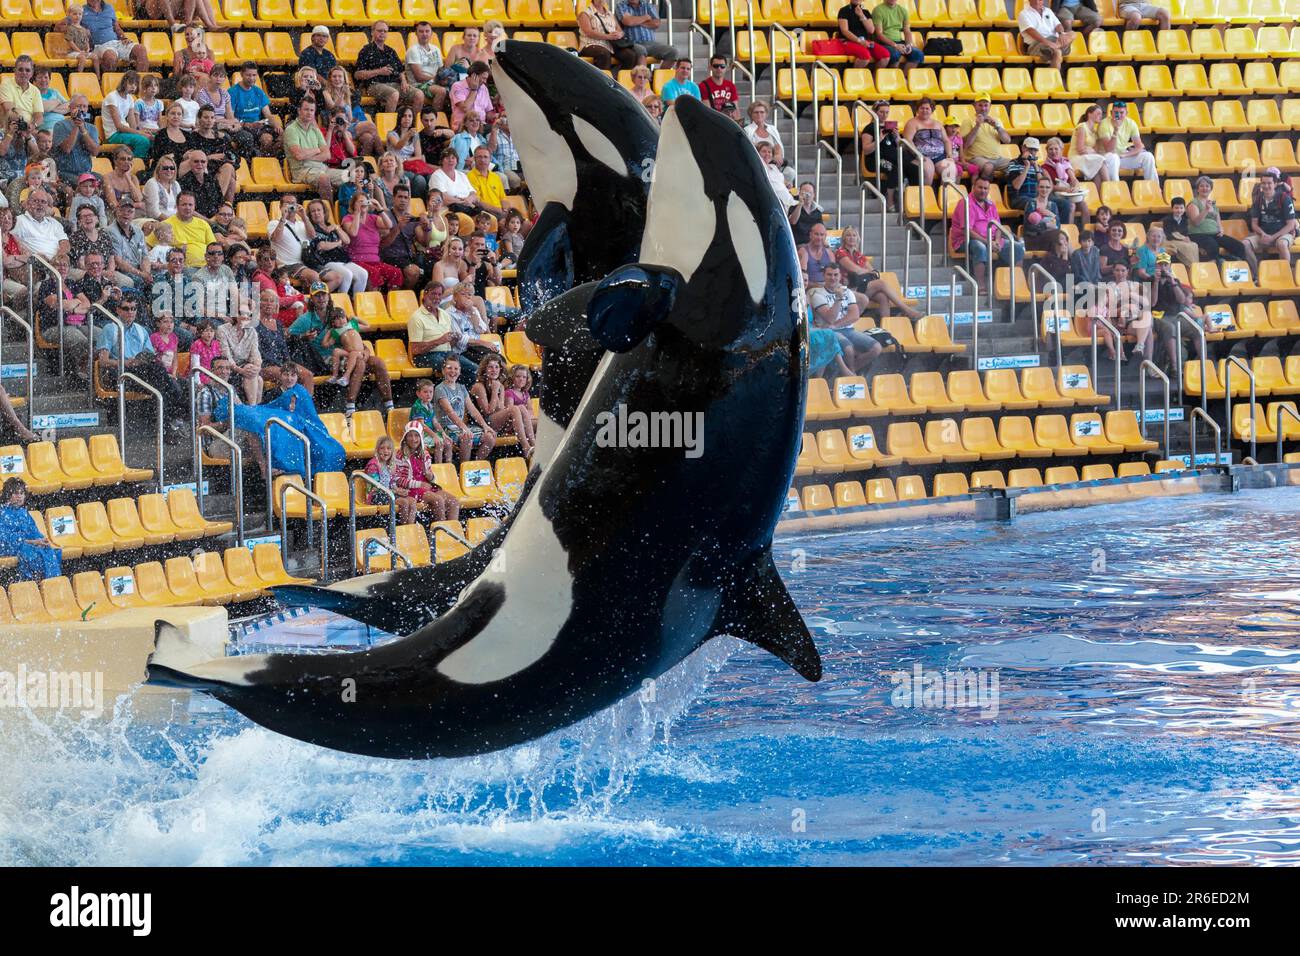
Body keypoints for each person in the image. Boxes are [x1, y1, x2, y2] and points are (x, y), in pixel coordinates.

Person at [835, 224, 922, 319]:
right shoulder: (841, 252)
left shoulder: (858, 254)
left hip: (861, 285)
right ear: (844, 238)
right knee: (880, 283)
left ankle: (886, 326)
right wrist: (865, 272)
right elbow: (856, 269)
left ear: (857, 238)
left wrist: (865, 272)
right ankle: (907, 310)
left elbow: (873, 272)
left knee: (883, 296)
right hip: (849, 288)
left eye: (854, 235)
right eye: (848, 235)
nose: (851, 238)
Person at [809, 263, 882, 375]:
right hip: (830, 332)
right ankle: (851, 375)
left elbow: (855, 315)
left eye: (835, 275)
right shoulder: (817, 294)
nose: (833, 278)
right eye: (829, 275)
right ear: (824, 276)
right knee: (848, 349)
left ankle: (847, 372)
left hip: (847, 329)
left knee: (877, 348)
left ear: (840, 276)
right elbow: (830, 318)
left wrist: (836, 325)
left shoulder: (847, 291)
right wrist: (838, 299)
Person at [950, 177, 1025, 284]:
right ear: (973, 187)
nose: (983, 191)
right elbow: (967, 231)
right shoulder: (965, 203)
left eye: (986, 188)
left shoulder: (991, 204)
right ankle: (980, 285)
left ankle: (1017, 284)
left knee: (1017, 248)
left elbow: (998, 226)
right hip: (966, 240)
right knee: (980, 247)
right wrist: (989, 243)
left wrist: (997, 241)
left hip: (992, 240)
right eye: (980, 187)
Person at [470, 354, 534, 458]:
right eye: (490, 367)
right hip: (482, 423)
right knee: (513, 409)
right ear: (484, 369)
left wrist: (498, 390)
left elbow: (500, 408)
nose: (494, 370)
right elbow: (488, 411)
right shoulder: (479, 386)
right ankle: (525, 447)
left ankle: (533, 444)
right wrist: (495, 391)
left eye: (496, 367)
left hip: (496, 422)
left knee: (521, 408)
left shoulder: (499, 385)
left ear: (500, 369)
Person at [435, 353, 497, 463]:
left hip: (460, 427)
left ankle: (475, 465)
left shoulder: (461, 388)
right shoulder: (440, 389)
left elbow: (472, 409)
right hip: (445, 429)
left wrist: (485, 426)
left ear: (459, 371)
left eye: (456, 369)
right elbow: (450, 412)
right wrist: (464, 428)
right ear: (443, 370)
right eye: (449, 368)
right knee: (467, 437)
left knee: (490, 437)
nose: (452, 371)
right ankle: (464, 467)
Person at [285, 97, 348, 203]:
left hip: (322, 168)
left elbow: (327, 155)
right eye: (306, 109)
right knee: (324, 178)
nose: (309, 113)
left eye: (312, 110)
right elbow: (298, 155)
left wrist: (308, 155)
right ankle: (329, 213)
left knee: (351, 176)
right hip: (303, 171)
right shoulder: (291, 130)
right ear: (299, 110)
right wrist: (318, 149)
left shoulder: (315, 130)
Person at [394, 422, 460, 521]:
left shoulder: (425, 454)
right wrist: (419, 484)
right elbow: (398, 479)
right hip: (411, 489)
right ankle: (440, 530)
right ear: (405, 438)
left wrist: (430, 476)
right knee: (438, 500)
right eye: (410, 436)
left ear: (421, 437)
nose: (413, 439)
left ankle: (452, 531)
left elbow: (432, 478)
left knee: (454, 501)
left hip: (427, 487)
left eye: (416, 436)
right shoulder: (400, 455)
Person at [302, 198, 368, 294]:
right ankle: (341, 301)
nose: (316, 213)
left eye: (319, 210)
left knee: (363, 274)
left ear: (324, 212)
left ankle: (355, 303)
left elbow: (347, 240)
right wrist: (338, 243)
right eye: (313, 211)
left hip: (343, 260)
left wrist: (337, 228)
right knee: (347, 274)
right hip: (327, 262)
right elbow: (322, 246)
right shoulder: (312, 229)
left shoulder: (331, 226)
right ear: (310, 215)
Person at [0, 478, 61, 581]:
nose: (19, 496)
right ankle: (34, 582)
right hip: (7, 547)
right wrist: (32, 542)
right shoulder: (2, 513)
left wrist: (40, 540)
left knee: (48, 549)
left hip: (24, 544)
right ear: (7, 494)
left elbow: (33, 531)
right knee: (32, 552)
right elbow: (4, 539)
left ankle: (52, 583)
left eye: (21, 493)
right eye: (15, 493)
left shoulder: (24, 513)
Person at [1187, 175, 1253, 269]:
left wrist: (1221, 229)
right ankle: (1219, 264)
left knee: (1238, 246)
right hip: (1198, 234)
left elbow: (1218, 221)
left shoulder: (1213, 204)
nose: (1204, 188)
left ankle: (1235, 265)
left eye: (1207, 186)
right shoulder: (1193, 204)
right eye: (1201, 186)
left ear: (1210, 189)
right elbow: (1196, 222)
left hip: (1214, 233)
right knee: (1213, 245)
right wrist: (1205, 210)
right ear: (1197, 189)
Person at [356, 22, 421, 116]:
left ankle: (414, 124)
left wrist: (403, 81)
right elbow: (357, 74)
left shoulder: (391, 51)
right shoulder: (366, 51)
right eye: (379, 31)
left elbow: (400, 69)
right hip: (374, 85)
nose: (382, 33)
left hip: (394, 83)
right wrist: (379, 71)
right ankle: (389, 126)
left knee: (419, 94)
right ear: (372, 32)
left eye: (385, 31)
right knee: (394, 94)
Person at [1245, 171, 1297, 277]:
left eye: (1269, 183)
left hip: (1283, 234)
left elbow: (1290, 225)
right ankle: (1256, 274)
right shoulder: (1258, 200)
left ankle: (1285, 276)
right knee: (1244, 244)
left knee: (1282, 244)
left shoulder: (1284, 198)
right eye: (1263, 183)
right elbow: (1254, 223)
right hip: (1264, 234)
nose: (1266, 186)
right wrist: (1263, 234)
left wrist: (1273, 237)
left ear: (1275, 184)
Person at [73, 0, 147, 73]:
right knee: (110, 56)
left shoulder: (109, 8)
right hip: (99, 46)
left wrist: (124, 38)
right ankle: (108, 83)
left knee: (140, 49)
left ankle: (141, 83)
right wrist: (83, 30)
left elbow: (116, 27)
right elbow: (64, 25)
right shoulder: (81, 11)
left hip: (116, 42)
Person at [229, 62, 282, 157]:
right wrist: (247, 124)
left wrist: (277, 125)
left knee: (269, 139)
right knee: (248, 138)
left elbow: (268, 115)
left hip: (258, 126)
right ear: (241, 74)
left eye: (254, 75)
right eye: (248, 75)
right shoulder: (233, 92)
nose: (252, 78)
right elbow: (231, 118)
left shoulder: (258, 91)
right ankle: (253, 161)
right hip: (241, 127)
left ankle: (262, 161)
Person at [1097, 100, 1156, 183]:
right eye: (1116, 112)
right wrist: (1116, 130)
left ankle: (1154, 187)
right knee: (1114, 157)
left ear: (1126, 113)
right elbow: (1109, 149)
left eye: (1121, 113)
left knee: (1148, 156)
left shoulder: (1131, 123)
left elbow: (1140, 146)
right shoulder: (1104, 124)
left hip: (1122, 156)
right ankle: (1115, 189)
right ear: (1111, 112)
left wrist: (1125, 154)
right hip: (1107, 158)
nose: (1119, 115)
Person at [365, 434, 419, 525]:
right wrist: (395, 492)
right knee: (404, 503)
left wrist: (398, 490)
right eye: (382, 448)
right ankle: (403, 528)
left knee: (413, 501)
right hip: (376, 496)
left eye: (389, 448)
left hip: (389, 493)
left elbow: (392, 483)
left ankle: (410, 528)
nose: (386, 451)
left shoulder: (390, 465)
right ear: (377, 450)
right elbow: (376, 487)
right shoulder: (373, 465)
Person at [903, 98, 956, 186]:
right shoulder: (912, 123)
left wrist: (949, 154)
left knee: (950, 170)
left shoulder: (938, 124)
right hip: (921, 156)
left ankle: (944, 197)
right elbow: (908, 141)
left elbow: (946, 140)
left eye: (927, 108)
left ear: (932, 110)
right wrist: (917, 154)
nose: (924, 110)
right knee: (928, 170)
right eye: (922, 108)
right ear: (917, 110)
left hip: (939, 157)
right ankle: (926, 196)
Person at [52, 95, 100, 188]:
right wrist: (76, 126)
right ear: (70, 108)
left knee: (104, 181)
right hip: (65, 173)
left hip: (86, 173)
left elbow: (95, 152)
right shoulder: (60, 125)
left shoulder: (92, 128)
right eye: (78, 106)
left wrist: (83, 130)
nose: (81, 110)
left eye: (84, 106)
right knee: (84, 185)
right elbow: (67, 149)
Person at [1042, 136, 1087, 226]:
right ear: (1047, 151)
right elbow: (1050, 186)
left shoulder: (1066, 163)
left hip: (1068, 193)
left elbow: (1074, 180)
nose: (1053, 152)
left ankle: (1086, 233)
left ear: (1061, 150)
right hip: (1054, 194)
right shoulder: (1044, 167)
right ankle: (1067, 232)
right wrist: (1065, 189)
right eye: (1050, 149)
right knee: (1071, 206)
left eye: (1056, 149)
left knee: (1083, 205)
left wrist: (1075, 187)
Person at [578, 0, 636, 71]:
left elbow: (620, 30)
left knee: (630, 55)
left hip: (611, 45)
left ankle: (616, 78)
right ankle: (603, 81)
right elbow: (588, 32)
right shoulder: (585, 13)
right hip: (590, 44)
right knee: (604, 53)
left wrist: (619, 35)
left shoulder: (610, 14)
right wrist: (608, 36)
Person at [405, 20, 449, 114]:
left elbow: (440, 69)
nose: (424, 34)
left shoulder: (436, 49)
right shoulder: (413, 50)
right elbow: (419, 77)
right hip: (419, 85)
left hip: (433, 83)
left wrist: (445, 77)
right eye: (421, 31)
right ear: (416, 34)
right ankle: (433, 119)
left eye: (427, 31)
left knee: (456, 88)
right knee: (441, 91)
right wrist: (436, 78)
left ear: (431, 33)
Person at [164, 192, 217, 269]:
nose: (187, 208)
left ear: (194, 207)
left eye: (190, 205)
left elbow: (214, 248)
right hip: (182, 269)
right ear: (177, 206)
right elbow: (148, 245)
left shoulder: (203, 224)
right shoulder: (166, 225)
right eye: (184, 204)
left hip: (206, 268)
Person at [408, 377, 455, 462]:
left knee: (448, 442)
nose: (428, 394)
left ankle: (449, 465)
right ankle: (438, 466)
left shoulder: (430, 405)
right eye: (425, 392)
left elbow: (435, 422)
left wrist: (443, 433)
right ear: (418, 394)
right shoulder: (418, 407)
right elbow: (422, 426)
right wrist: (435, 436)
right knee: (439, 443)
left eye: (431, 392)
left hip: (429, 433)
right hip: (419, 434)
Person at [832, 0, 890, 68]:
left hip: (864, 41)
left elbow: (871, 30)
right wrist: (859, 41)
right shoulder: (844, 10)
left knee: (885, 55)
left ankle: (873, 78)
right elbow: (845, 31)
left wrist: (862, 16)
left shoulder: (865, 12)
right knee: (865, 55)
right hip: (847, 41)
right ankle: (854, 77)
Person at [1017, 0, 1072, 70]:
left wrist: (1061, 34)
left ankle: (1056, 48)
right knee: (1057, 52)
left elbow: (1058, 25)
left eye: (1039, 0)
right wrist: (1048, 43)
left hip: (1054, 41)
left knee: (1072, 34)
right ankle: (1054, 78)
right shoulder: (1023, 14)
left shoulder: (1048, 11)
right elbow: (1031, 31)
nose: (1037, 2)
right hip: (1036, 44)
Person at [872, 0, 924, 71]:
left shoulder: (903, 10)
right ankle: (892, 78)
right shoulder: (878, 10)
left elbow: (907, 31)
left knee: (918, 54)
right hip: (883, 43)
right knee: (895, 54)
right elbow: (879, 34)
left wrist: (909, 44)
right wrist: (895, 45)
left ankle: (904, 78)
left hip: (899, 42)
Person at [323, 306, 368, 387]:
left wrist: (356, 318)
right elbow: (324, 344)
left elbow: (368, 326)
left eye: (343, 317)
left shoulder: (352, 325)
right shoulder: (334, 332)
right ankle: (334, 376)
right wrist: (329, 337)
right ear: (333, 322)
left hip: (360, 353)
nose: (341, 320)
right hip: (348, 353)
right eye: (338, 319)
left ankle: (346, 377)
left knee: (353, 353)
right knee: (336, 351)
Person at [1069, 103, 1113, 185]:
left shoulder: (1095, 131)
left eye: (1101, 114)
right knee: (1101, 160)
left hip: (1087, 158)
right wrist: (1090, 151)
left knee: (1097, 168)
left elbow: (1095, 151)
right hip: (1076, 158)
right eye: (1098, 113)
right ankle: (1109, 187)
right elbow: (1080, 150)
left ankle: (1099, 195)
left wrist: (1090, 151)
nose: (1101, 116)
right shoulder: (1082, 127)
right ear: (1090, 114)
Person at [1161, 196, 1200, 268]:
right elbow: (1168, 235)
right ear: (1172, 209)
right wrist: (1181, 238)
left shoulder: (1185, 219)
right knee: (1186, 246)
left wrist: (1186, 237)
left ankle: (1194, 266)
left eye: (1181, 208)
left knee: (1194, 245)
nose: (1179, 210)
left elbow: (1185, 232)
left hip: (1181, 239)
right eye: (1176, 208)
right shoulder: (1167, 220)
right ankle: (1190, 265)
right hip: (1170, 240)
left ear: (1184, 209)